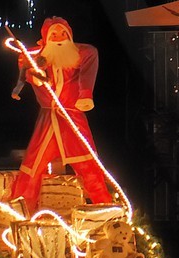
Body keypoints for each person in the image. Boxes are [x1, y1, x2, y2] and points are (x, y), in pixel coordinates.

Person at [9, 17, 115, 212]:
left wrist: (85, 95)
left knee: (88, 164)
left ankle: (105, 208)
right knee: (32, 165)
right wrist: (35, 77)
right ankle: (20, 208)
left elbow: (91, 55)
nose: (59, 38)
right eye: (54, 35)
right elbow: (25, 62)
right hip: (48, 120)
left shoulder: (80, 54)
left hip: (73, 119)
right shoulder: (38, 57)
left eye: (63, 34)